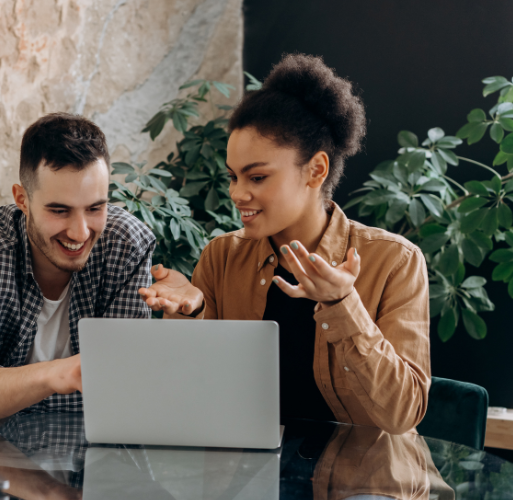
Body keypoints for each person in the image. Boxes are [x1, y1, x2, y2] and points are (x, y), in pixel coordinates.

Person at [139, 53, 431, 434]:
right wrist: (191, 313)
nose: (237, 193)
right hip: (247, 476)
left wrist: (343, 304)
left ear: (316, 170)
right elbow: (190, 397)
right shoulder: (221, 257)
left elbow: (402, 416)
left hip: (364, 483)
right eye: (232, 177)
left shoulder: (395, 261)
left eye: (257, 177)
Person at [0, 113, 155, 421]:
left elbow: (125, 390)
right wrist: (60, 374)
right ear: (22, 199)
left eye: (96, 208)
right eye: (59, 210)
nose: (80, 232)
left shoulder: (127, 245)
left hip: (96, 454)